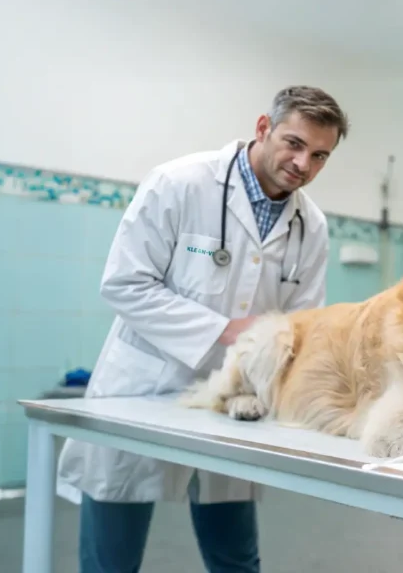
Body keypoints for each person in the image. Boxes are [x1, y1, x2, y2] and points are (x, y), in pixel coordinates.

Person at [56, 86, 349, 572]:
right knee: (112, 556)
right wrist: (225, 330)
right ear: (263, 128)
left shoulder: (310, 226)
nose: (303, 164)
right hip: (143, 388)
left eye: (320, 155)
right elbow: (125, 283)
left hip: (236, 403)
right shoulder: (179, 183)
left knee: (235, 556)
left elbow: (304, 326)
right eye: (293, 143)